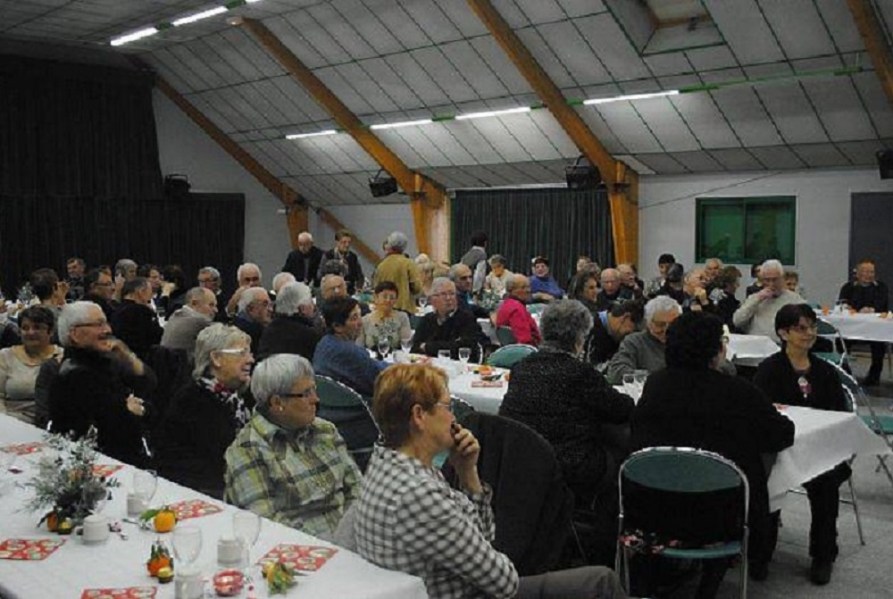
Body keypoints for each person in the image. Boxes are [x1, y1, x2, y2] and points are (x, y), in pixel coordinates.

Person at [356, 362, 628, 599]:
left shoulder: (384, 463)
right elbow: (504, 583)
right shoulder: (420, 495)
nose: (453, 418)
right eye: (448, 407)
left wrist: (468, 474)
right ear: (419, 416)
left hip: (442, 587)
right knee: (601, 583)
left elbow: (485, 540)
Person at [631, 311, 794, 595]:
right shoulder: (739, 392)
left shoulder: (656, 385)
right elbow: (781, 434)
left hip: (653, 510)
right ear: (718, 349)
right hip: (718, 517)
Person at [500, 300, 634, 515]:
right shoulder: (580, 373)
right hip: (569, 466)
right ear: (580, 337)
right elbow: (621, 409)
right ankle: (604, 521)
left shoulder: (521, 368)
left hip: (522, 461)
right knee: (620, 449)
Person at [753, 304, 853, 585]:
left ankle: (823, 554)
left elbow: (839, 415)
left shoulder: (826, 372)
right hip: (778, 449)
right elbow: (761, 415)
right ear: (783, 333)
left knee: (826, 484)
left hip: (818, 450)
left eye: (812, 327)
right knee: (767, 481)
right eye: (801, 328)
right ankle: (761, 553)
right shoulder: (769, 370)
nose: (809, 333)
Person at [225, 354, 361, 538]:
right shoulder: (247, 450)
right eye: (306, 394)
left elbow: (357, 489)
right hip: (301, 551)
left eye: (314, 389)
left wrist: (352, 536)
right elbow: (267, 525)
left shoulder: (325, 431)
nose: (316, 399)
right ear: (277, 402)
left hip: (351, 537)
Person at [49, 301, 156, 466]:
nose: (108, 330)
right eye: (98, 324)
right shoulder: (76, 375)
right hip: (101, 465)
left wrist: (126, 354)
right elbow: (115, 428)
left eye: (106, 322)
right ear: (75, 334)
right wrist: (128, 409)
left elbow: (149, 384)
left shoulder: (103, 360)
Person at [156, 324, 254, 498]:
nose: (250, 360)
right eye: (242, 353)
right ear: (216, 358)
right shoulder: (192, 403)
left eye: (249, 353)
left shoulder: (233, 396)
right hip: (199, 496)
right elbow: (219, 463)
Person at [0, 306, 62, 424]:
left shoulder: (61, 357)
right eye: (25, 328)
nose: (30, 332)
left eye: (37, 328)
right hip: (12, 422)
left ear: (51, 331)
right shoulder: (4, 356)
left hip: (51, 423)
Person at [313, 297, 385, 396]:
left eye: (360, 316)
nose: (360, 323)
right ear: (337, 326)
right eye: (354, 318)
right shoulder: (349, 352)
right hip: (358, 407)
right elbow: (381, 380)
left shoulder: (324, 343)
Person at [606, 296, 681, 385]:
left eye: (673, 325)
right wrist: (648, 378)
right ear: (648, 322)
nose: (666, 330)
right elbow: (616, 373)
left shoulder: (688, 341)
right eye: (660, 325)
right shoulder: (634, 342)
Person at [838, 259, 889, 386]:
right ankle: (844, 371)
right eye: (865, 272)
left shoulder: (881, 287)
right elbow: (842, 303)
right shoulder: (848, 287)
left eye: (871, 272)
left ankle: (874, 375)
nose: (868, 275)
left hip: (875, 329)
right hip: (851, 328)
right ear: (857, 273)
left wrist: (872, 309)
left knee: (879, 344)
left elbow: (884, 305)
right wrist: (849, 308)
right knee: (840, 340)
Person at [411, 277, 488, 361]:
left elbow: (464, 348)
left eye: (452, 294)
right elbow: (415, 347)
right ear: (432, 299)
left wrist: (428, 347)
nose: (448, 298)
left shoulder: (466, 319)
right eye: (444, 294)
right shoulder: (427, 319)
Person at [733, 259, 803, 342]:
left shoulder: (795, 300)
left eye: (775, 280)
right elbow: (737, 321)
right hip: (757, 345)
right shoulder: (754, 298)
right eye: (767, 280)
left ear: (782, 278)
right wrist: (757, 299)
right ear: (762, 280)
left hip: (784, 346)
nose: (771, 284)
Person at [257, 282, 321, 361]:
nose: (314, 306)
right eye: (311, 301)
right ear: (302, 308)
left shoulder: (268, 330)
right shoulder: (308, 335)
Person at [110, 277, 164, 359]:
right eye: (150, 292)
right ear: (141, 292)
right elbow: (157, 336)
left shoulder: (116, 310)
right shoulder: (142, 311)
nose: (151, 296)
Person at [161, 287, 217, 360]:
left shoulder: (175, 316)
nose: (216, 310)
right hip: (187, 368)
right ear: (194, 303)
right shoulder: (200, 322)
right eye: (211, 305)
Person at [373, 231, 421, 314]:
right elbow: (417, 287)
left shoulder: (381, 265)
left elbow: (376, 287)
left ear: (390, 245)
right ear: (404, 247)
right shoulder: (408, 263)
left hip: (385, 308)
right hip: (404, 308)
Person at [357, 281, 412, 352]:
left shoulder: (402, 317)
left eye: (392, 298)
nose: (388, 300)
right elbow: (359, 347)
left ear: (396, 300)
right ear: (376, 297)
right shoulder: (364, 320)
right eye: (385, 296)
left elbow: (406, 344)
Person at [587, 300, 644, 367]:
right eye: (634, 330)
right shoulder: (588, 329)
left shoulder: (615, 338)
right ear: (626, 317)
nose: (631, 336)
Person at [495, 274, 541, 346]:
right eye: (523, 287)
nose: (528, 290)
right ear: (512, 290)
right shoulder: (517, 310)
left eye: (528, 286)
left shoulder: (506, 304)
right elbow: (525, 340)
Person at [322, 229, 364, 295]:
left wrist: (359, 288)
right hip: (333, 291)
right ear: (337, 242)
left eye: (349, 242)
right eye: (344, 242)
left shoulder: (353, 257)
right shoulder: (328, 255)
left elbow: (359, 276)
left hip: (350, 291)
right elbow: (321, 274)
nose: (347, 245)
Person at [232, 287, 272, 355]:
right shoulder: (255, 333)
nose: (270, 309)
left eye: (270, 305)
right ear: (250, 309)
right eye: (265, 305)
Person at [460, 230, 489, 295]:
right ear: (485, 243)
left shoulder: (466, 256)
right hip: (472, 289)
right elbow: (479, 274)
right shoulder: (482, 255)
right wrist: (475, 291)